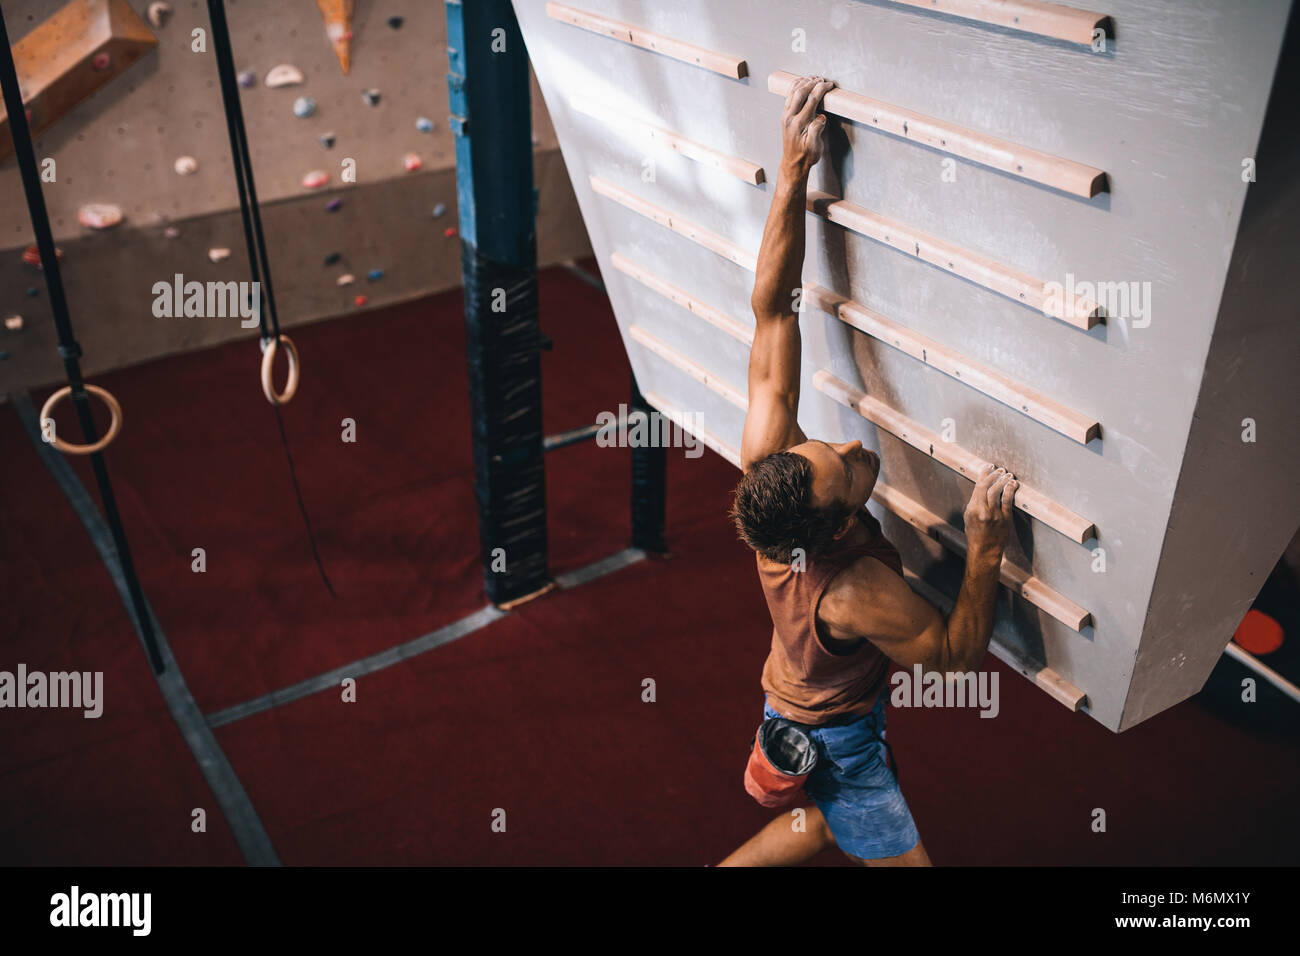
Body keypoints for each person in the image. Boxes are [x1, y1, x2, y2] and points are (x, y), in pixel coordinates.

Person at [717, 77, 1020, 867]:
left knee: (812, 827)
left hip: (788, 703)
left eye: (830, 450)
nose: (853, 451)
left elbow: (773, 308)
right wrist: (985, 545)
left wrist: (792, 171)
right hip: (839, 741)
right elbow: (953, 659)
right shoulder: (855, 591)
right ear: (832, 529)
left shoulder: (769, 476)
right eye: (847, 475)